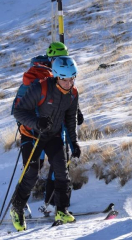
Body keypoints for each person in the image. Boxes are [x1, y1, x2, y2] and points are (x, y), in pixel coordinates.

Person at [10, 56, 81, 231]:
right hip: (32, 135)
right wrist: (36, 122)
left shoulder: (72, 94)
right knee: (32, 173)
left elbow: (70, 120)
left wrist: (75, 143)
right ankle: (17, 208)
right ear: (56, 76)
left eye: (72, 78)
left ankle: (62, 210)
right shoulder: (40, 87)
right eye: (65, 79)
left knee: (61, 172)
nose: (69, 82)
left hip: (53, 135)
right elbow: (18, 111)